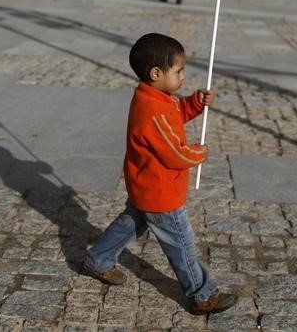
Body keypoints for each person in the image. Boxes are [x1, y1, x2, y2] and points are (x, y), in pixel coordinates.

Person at [80, 33, 238, 315]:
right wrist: (198, 153)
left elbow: (176, 113)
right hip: (160, 192)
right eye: (178, 71)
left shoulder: (157, 96)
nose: (183, 77)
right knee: (181, 244)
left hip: (147, 187)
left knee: (130, 223)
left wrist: (196, 102)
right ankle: (203, 294)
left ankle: (98, 260)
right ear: (156, 73)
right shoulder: (152, 108)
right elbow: (173, 153)